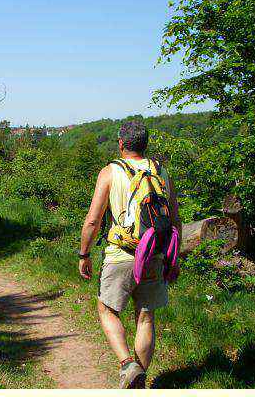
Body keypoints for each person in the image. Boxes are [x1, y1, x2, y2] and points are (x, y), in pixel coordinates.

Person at [78, 120, 181, 389]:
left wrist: (84, 254)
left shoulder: (110, 172)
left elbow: (92, 221)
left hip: (121, 254)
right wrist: (174, 257)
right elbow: (175, 220)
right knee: (145, 316)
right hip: (154, 254)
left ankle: (127, 365)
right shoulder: (161, 171)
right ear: (145, 144)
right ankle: (140, 375)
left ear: (121, 144)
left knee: (107, 309)